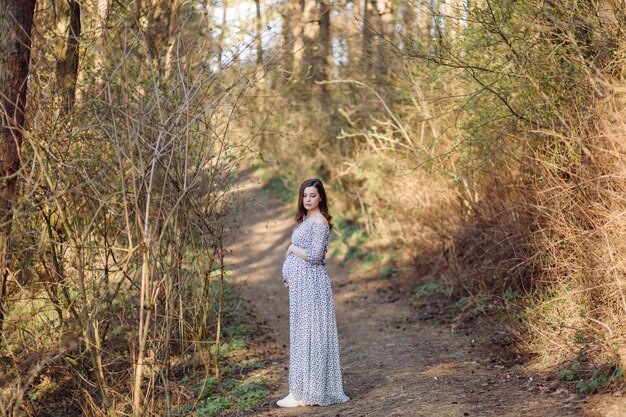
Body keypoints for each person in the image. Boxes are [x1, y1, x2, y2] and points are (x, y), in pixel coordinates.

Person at [277, 178, 350, 408]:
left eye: (313, 196)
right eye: (305, 195)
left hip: (312, 286)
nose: (308, 199)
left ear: (321, 198)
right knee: (301, 335)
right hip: (301, 286)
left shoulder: (319, 222)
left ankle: (313, 391)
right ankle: (299, 390)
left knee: (312, 335)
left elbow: (316, 255)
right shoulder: (307, 219)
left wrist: (290, 248)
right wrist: (289, 273)